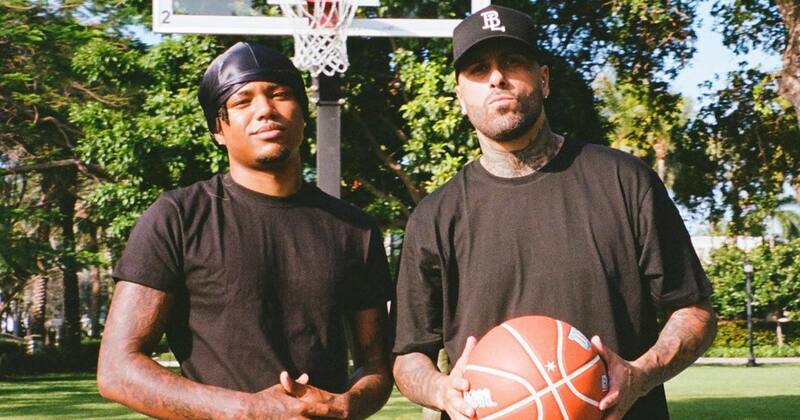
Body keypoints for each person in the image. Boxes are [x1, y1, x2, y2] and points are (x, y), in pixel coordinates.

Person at [392, 6, 717, 420]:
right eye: (478, 69)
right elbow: (409, 356)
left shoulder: (624, 181)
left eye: (513, 62)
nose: (496, 77)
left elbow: (693, 310)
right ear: (460, 96)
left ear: (543, 80)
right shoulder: (434, 216)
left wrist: (641, 374)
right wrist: (441, 390)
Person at [97, 42, 393, 419]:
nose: (265, 109)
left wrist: (346, 404)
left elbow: (375, 367)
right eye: (242, 101)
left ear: (303, 116)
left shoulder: (353, 228)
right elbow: (117, 369)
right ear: (218, 130)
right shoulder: (177, 217)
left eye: (280, 94)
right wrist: (247, 409)